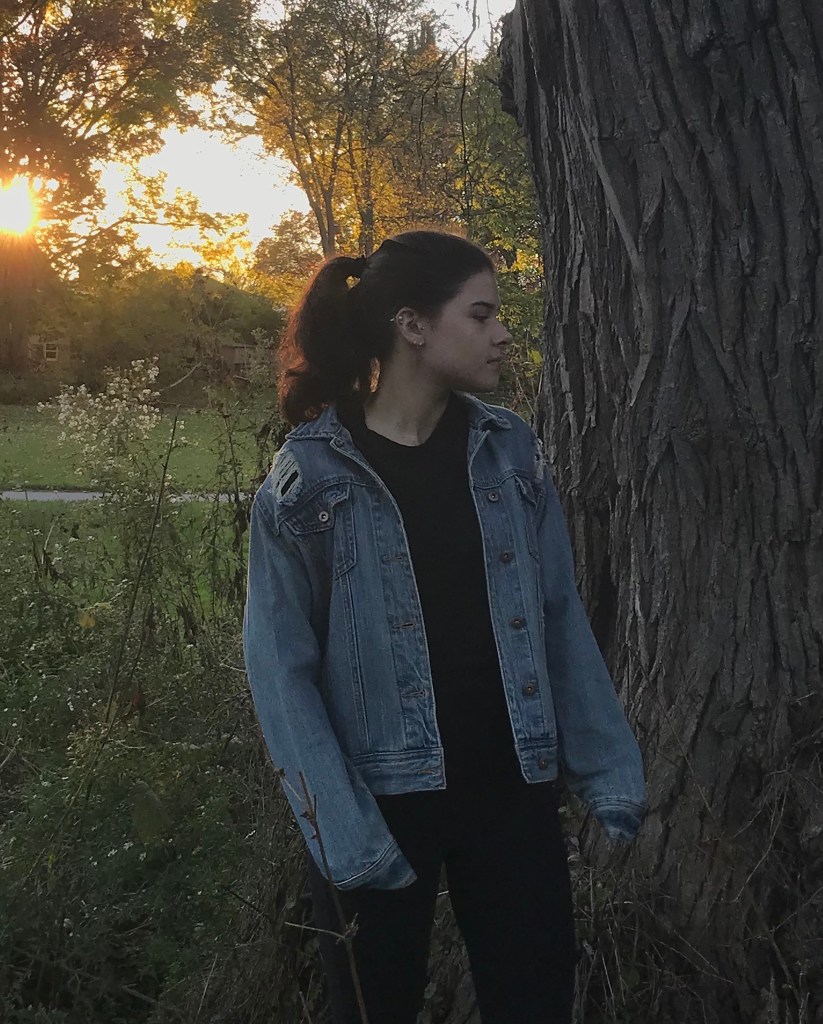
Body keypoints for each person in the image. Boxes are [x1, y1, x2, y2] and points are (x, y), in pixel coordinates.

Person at [243, 230, 646, 1024]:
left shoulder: (510, 452)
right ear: (412, 326)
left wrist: (605, 769)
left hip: (512, 790)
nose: (502, 334)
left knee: (534, 1004)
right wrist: (340, 830)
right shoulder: (310, 478)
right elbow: (279, 669)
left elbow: (558, 616)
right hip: (378, 800)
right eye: (482, 314)